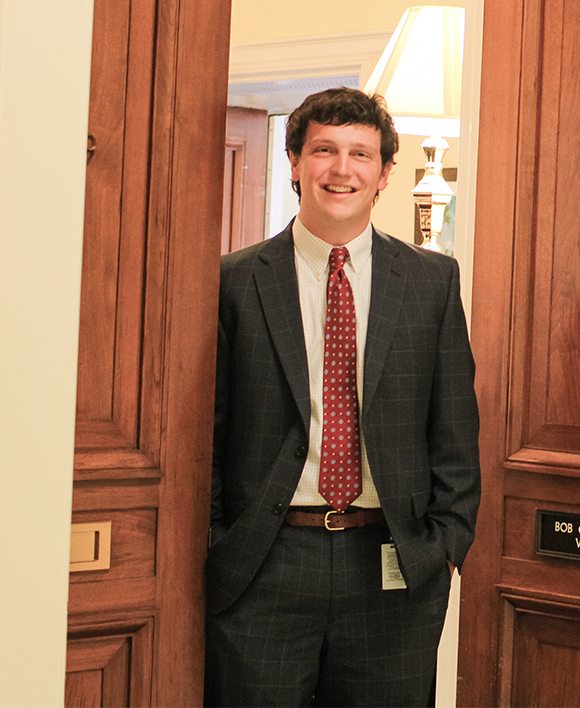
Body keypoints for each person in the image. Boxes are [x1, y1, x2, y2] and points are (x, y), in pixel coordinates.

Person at [205, 87, 481, 708]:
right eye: (324, 150)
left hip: (392, 566)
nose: (341, 169)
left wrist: (444, 546)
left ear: (384, 173)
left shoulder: (432, 283)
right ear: (296, 163)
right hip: (265, 565)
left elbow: (455, 433)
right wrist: (221, 544)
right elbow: (207, 433)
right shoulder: (233, 282)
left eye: (361, 154)